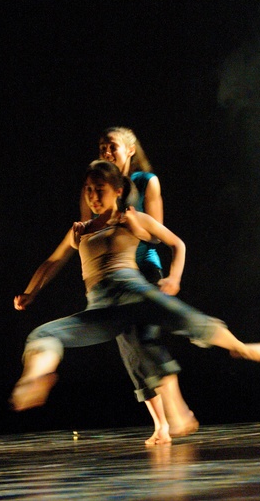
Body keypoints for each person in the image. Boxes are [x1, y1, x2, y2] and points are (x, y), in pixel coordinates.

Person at [9, 160, 260, 443]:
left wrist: (174, 277)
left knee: (182, 319)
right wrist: (31, 292)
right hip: (101, 307)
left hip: (133, 291)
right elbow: (53, 262)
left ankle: (239, 347)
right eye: (88, 190)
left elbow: (177, 244)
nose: (93, 197)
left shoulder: (132, 218)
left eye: (99, 189)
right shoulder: (80, 230)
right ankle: (34, 379)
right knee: (43, 334)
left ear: (118, 190)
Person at [90, 127, 197, 441]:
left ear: (130, 150)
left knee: (144, 338)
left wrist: (132, 222)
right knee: (130, 351)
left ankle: (179, 411)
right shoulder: (98, 186)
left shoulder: (146, 182)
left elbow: (155, 235)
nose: (106, 152)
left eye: (112, 146)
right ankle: (161, 425)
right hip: (113, 274)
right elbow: (93, 232)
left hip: (143, 269)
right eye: (102, 147)